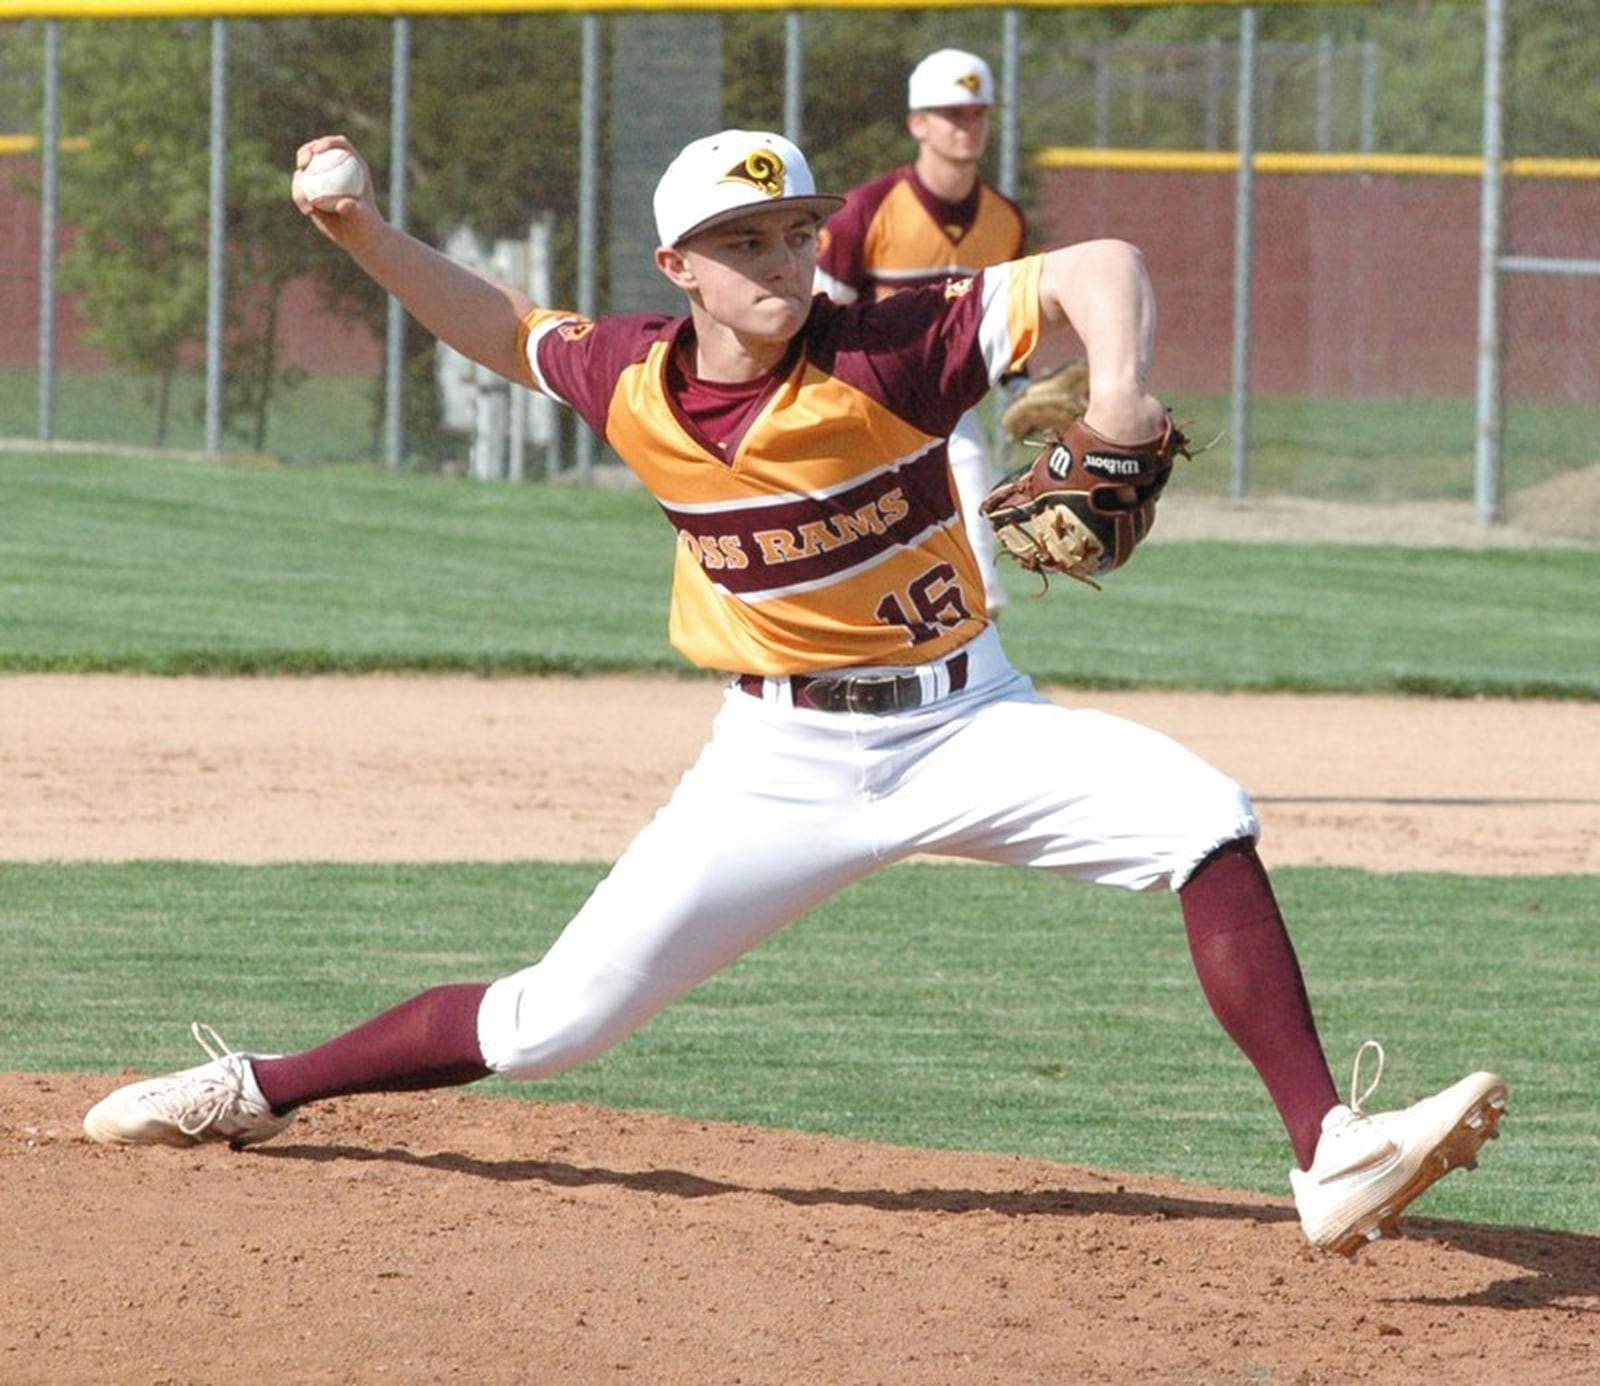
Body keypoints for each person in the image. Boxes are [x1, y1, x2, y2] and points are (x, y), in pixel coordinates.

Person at [83, 128, 1506, 1257]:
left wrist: (1122, 389)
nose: (775, 256)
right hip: (780, 764)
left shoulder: (893, 346)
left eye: (789, 229)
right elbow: (496, 322)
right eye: (737, 240)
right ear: (679, 268)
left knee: (1201, 812)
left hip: (972, 721)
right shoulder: (632, 378)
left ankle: (1329, 1151)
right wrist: (360, 229)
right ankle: (260, 1084)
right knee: (548, 1026)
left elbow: (1105, 262)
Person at [814, 48, 1026, 617]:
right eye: (952, 115)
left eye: (977, 114)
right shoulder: (868, 209)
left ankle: (978, 591)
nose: (968, 127)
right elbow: (817, 315)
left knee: (960, 442)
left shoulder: (1005, 219)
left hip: (947, 393)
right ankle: (973, 589)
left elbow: (1013, 323)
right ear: (918, 124)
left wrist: (1022, 391)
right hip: (864, 387)